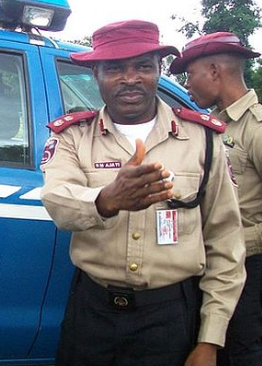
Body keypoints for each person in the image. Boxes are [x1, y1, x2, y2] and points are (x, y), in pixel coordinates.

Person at [40, 20, 246, 366]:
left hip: (170, 318)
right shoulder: (71, 137)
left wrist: (210, 339)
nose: (130, 78)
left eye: (143, 67)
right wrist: (107, 200)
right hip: (92, 314)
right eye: (115, 68)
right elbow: (57, 202)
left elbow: (226, 243)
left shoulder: (203, 140)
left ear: (159, 70)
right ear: (95, 74)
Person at [170, 32, 262, 366]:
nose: (188, 85)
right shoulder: (215, 126)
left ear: (213, 71)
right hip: (212, 261)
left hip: (247, 268)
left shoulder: (256, 128)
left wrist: (238, 239)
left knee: (236, 352)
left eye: (189, 75)